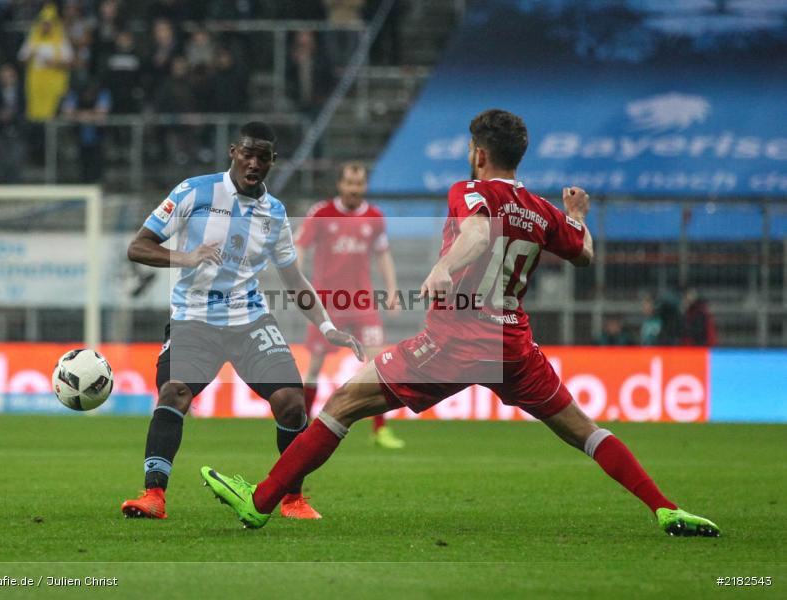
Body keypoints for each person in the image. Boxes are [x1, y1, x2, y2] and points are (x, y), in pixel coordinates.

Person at [201, 109, 720, 538]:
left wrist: (444, 266)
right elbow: (583, 252)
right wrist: (578, 215)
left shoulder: (471, 191)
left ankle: (262, 500)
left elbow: (475, 229)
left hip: (455, 341)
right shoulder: (541, 211)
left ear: (478, 154)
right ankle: (665, 507)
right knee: (585, 430)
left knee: (340, 405)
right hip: (514, 347)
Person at [121, 122, 364, 521]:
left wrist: (327, 326)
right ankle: (154, 495)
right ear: (233, 152)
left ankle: (293, 499)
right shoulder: (194, 190)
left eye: (262, 157)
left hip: (248, 318)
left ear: (272, 161)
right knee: (175, 392)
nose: (254, 163)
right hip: (194, 317)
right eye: (247, 153)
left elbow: (294, 279)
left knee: (290, 403)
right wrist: (187, 257)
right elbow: (138, 246)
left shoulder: (275, 213)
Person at [296, 162, 405, 449]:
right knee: (315, 366)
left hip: (363, 302)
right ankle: (301, 425)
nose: (354, 189)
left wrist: (392, 290)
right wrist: (297, 282)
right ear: (340, 185)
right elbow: (300, 245)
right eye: (350, 183)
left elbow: (383, 255)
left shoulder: (374, 217)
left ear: (364, 186)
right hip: (327, 304)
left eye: (359, 184)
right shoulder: (321, 213)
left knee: (378, 364)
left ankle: (380, 430)